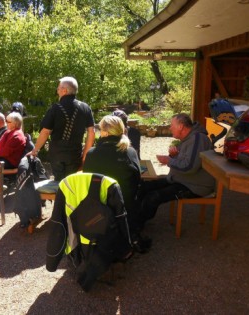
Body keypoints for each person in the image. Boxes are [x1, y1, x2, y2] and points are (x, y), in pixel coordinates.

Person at [83, 115, 150, 252]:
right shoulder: (130, 152)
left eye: (100, 129)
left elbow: (88, 180)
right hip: (125, 205)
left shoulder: (92, 153)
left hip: (100, 206)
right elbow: (137, 179)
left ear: (105, 132)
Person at [137, 113, 215, 228]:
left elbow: (189, 167)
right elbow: (184, 161)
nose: (170, 128)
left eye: (172, 125)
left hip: (195, 186)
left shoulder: (198, 139)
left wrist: (169, 160)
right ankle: (133, 217)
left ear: (181, 126)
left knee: (153, 197)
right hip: (181, 179)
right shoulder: (187, 139)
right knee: (143, 187)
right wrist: (173, 156)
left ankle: (136, 225)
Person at [30, 76, 95, 181]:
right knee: (72, 183)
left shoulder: (55, 108)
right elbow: (91, 132)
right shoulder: (85, 108)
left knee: (59, 184)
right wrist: (85, 155)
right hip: (75, 152)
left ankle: (59, 197)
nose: (57, 90)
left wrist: (35, 150)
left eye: (59, 88)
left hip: (57, 153)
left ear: (64, 90)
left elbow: (46, 132)